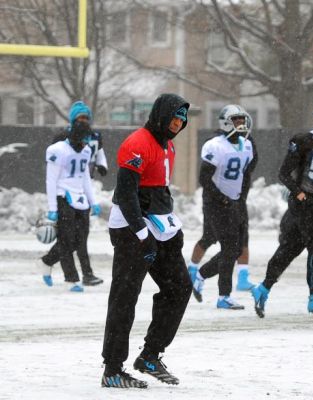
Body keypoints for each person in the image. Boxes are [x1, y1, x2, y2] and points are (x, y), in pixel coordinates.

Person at [101, 93, 192, 388]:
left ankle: (151, 355)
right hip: (132, 225)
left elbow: (159, 191)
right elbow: (127, 194)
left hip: (157, 222)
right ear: (161, 115)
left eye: (182, 120)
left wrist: (172, 231)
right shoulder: (137, 144)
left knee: (179, 286)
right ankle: (113, 369)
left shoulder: (169, 146)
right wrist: (141, 234)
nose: (178, 124)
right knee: (125, 297)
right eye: (174, 118)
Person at [251, 100, 313, 318]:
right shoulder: (304, 141)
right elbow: (284, 173)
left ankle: (263, 288)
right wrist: (299, 193)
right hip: (303, 202)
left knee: (290, 249)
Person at [188, 105, 256, 310]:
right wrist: (222, 198)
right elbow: (204, 178)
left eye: (242, 120)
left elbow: (245, 175)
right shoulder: (215, 145)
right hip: (215, 203)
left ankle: (200, 275)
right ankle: (223, 296)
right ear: (226, 122)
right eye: (236, 120)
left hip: (233, 202)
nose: (241, 125)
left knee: (234, 250)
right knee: (229, 247)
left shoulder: (246, 145)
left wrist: (239, 198)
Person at [38, 120, 102, 292]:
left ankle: (47, 261)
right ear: (75, 137)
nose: (85, 144)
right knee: (66, 240)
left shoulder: (86, 150)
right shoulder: (58, 150)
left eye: (87, 140)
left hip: (80, 199)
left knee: (78, 241)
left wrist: (93, 201)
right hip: (63, 197)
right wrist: (52, 207)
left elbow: (85, 178)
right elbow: (51, 180)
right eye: (83, 139)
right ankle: (71, 280)